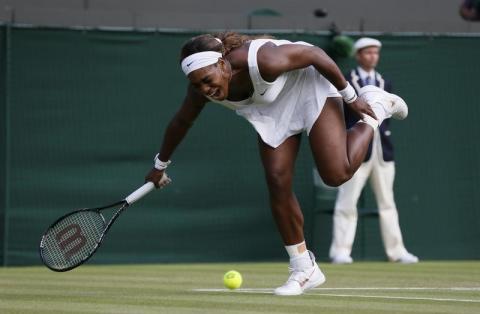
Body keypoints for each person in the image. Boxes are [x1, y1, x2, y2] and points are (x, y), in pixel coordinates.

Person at [144, 32, 408, 296]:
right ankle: (304, 268)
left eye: (206, 80)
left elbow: (316, 54)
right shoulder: (201, 90)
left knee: (336, 174)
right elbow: (181, 123)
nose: (204, 89)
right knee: (277, 180)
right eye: (197, 84)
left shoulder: (263, 59)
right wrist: (160, 165)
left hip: (308, 85)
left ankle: (377, 106)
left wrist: (351, 98)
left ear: (223, 64)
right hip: (270, 107)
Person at [329, 37, 418, 265]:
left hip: (382, 152)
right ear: (358, 55)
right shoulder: (348, 79)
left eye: (375, 53)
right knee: (347, 202)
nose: (372, 57)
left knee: (388, 203)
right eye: (367, 53)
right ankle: (341, 251)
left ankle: (396, 251)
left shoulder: (384, 81)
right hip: (355, 149)